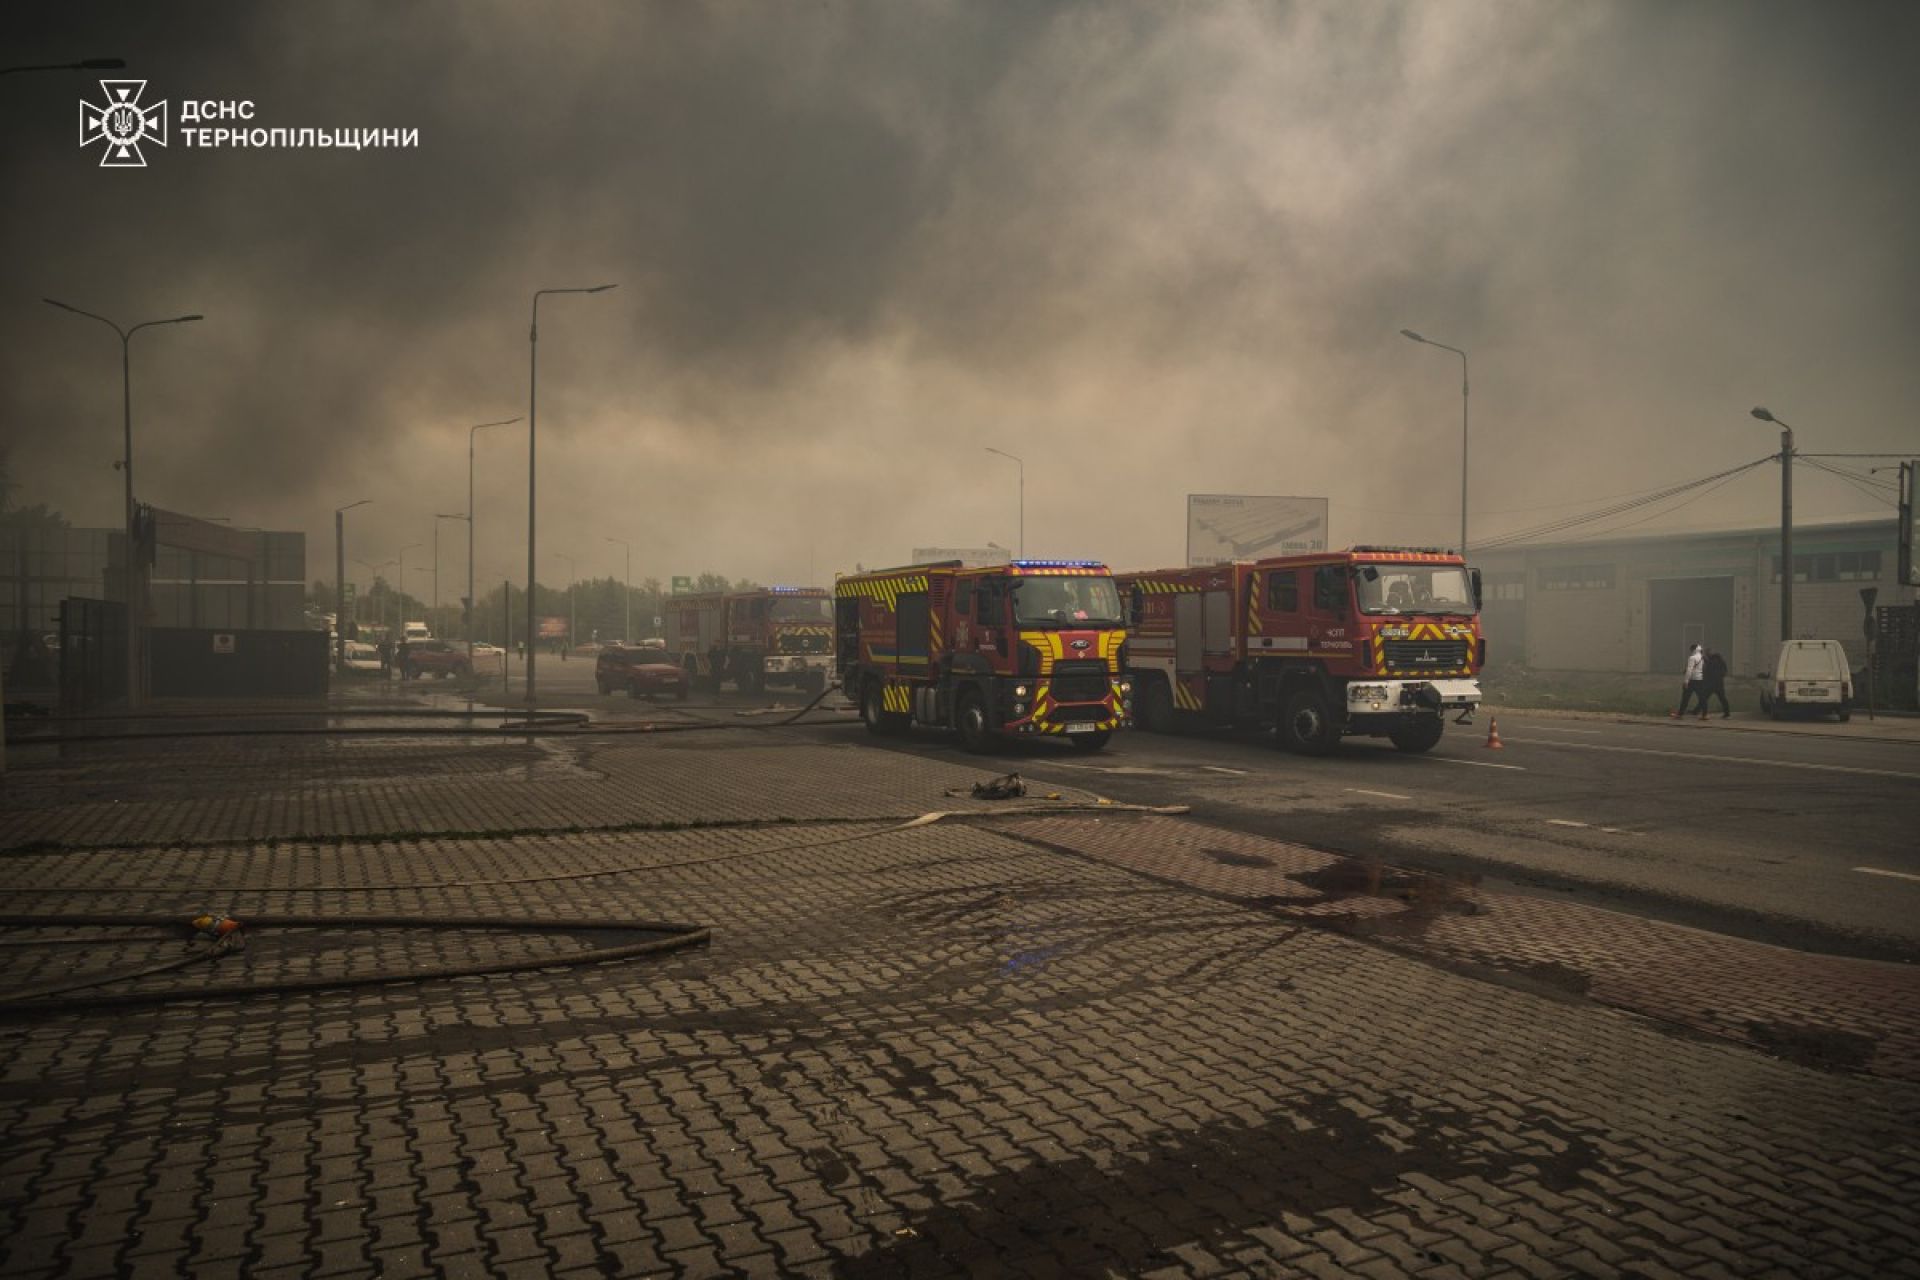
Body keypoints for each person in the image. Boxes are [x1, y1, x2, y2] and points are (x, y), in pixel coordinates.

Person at [1672, 643, 1705, 718]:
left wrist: (1686, 681)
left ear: (1693, 650)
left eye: (1691, 650)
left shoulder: (1692, 658)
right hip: (1699, 680)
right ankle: (1704, 714)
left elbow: (1689, 670)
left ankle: (1680, 714)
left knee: (1685, 698)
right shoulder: (1702, 657)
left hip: (1691, 680)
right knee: (1701, 697)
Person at [1700, 647, 1731, 718]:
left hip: (1712, 684)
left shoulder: (1712, 660)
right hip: (1717, 684)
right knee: (1722, 699)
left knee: (1704, 697)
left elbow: (1710, 669)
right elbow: (1724, 671)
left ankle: (1700, 712)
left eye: (1707, 652)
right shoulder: (1719, 660)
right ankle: (1727, 713)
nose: (1707, 654)